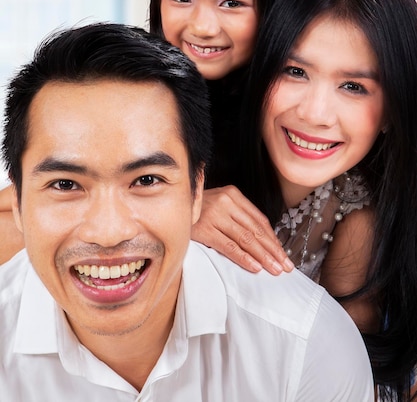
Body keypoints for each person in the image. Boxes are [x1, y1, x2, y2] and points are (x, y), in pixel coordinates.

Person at [0, 23, 374, 401]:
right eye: (65, 185)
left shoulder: (306, 345)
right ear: (17, 201)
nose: (108, 231)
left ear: (198, 191)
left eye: (146, 180)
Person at [226, 0, 417, 400]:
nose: (314, 113)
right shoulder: (190, 160)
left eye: (353, 86)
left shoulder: (362, 219)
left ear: (390, 110)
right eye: (295, 71)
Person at [150, 0, 322, 273]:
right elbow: (20, 204)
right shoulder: (137, 90)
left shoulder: (308, 113)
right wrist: (183, 207)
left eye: (231, 2)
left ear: (280, 1)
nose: (202, 26)